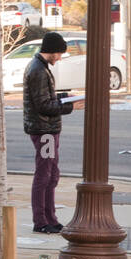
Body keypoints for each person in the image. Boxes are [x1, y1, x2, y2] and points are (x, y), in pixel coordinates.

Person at [22, 32, 84, 234]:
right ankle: (41, 221)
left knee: (52, 174)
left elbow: (46, 97)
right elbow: (44, 105)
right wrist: (70, 106)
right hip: (44, 131)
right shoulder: (39, 71)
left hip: (46, 129)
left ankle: (50, 218)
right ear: (52, 51)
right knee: (45, 175)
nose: (60, 57)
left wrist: (66, 96)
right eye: (59, 53)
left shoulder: (40, 67)